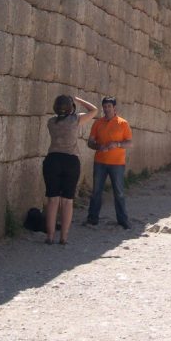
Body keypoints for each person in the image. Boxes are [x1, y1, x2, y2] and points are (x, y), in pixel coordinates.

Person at [43, 94, 98, 245]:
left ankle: (50, 235)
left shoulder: (51, 122)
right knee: (67, 201)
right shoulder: (75, 120)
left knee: (52, 199)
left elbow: (60, 117)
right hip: (70, 160)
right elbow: (94, 110)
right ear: (71, 108)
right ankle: (64, 237)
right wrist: (79, 100)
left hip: (52, 159)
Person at [86, 97, 133, 229]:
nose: (106, 109)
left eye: (109, 106)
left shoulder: (123, 123)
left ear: (114, 108)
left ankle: (123, 220)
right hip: (100, 162)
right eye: (105, 106)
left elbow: (129, 143)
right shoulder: (97, 123)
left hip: (117, 163)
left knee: (119, 192)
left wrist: (117, 144)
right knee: (96, 191)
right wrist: (98, 146)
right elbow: (90, 142)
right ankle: (92, 219)